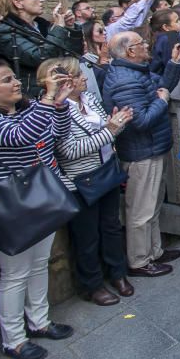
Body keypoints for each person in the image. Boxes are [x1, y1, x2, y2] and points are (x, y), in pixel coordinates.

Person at [0, 60, 76, 359]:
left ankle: (40, 321)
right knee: (14, 274)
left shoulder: (26, 110)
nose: (16, 83)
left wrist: (60, 105)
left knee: (39, 264)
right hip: (10, 205)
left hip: (39, 195)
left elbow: (57, 134)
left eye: (14, 77)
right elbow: (21, 136)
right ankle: (14, 340)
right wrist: (48, 99)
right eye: (6, 80)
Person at [47, 58, 134, 307]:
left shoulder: (90, 100)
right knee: (87, 236)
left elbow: (106, 125)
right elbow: (70, 150)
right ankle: (92, 284)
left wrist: (115, 124)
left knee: (111, 226)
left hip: (105, 170)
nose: (85, 78)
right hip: (80, 181)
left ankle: (117, 273)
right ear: (66, 81)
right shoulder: (58, 111)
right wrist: (110, 131)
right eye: (79, 75)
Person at [102, 31, 180, 279]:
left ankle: (154, 251)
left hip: (151, 149)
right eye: (141, 43)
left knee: (152, 206)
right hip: (141, 153)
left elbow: (159, 87)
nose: (146, 45)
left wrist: (174, 64)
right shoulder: (125, 81)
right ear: (129, 51)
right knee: (141, 211)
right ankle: (139, 261)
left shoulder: (137, 71)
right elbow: (142, 121)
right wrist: (163, 99)